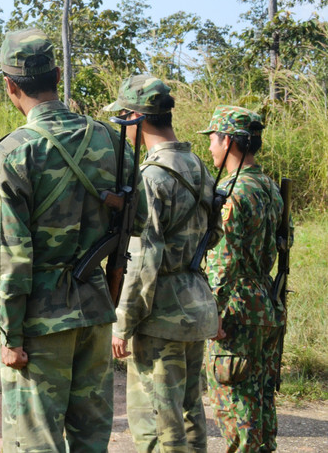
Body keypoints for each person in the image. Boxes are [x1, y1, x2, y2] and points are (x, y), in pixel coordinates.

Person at [0, 29, 142, 452]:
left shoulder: (14, 152)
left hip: (39, 322)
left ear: (10, 85)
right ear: (56, 74)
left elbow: (8, 258)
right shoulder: (109, 138)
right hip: (94, 311)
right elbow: (136, 219)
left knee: (35, 443)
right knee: (91, 440)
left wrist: (10, 335)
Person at [105, 75, 219, 452]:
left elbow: (143, 261)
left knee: (157, 418)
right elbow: (213, 236)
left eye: (124, 117)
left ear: (136, 118)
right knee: (189, 412)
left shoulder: (151, 177)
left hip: (161, 314)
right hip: (194, 302)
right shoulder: (199, 167)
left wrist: (122, 323)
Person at [199, 106, 288, 452]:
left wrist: (213, 310)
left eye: (214, 139)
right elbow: (283, 242)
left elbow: (223, 256)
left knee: (237, 405)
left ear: (229, 142)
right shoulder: (270, 187)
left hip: (236, 308)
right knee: (261, 401)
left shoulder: (231, 192)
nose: (210, 148)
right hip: (265, 301)